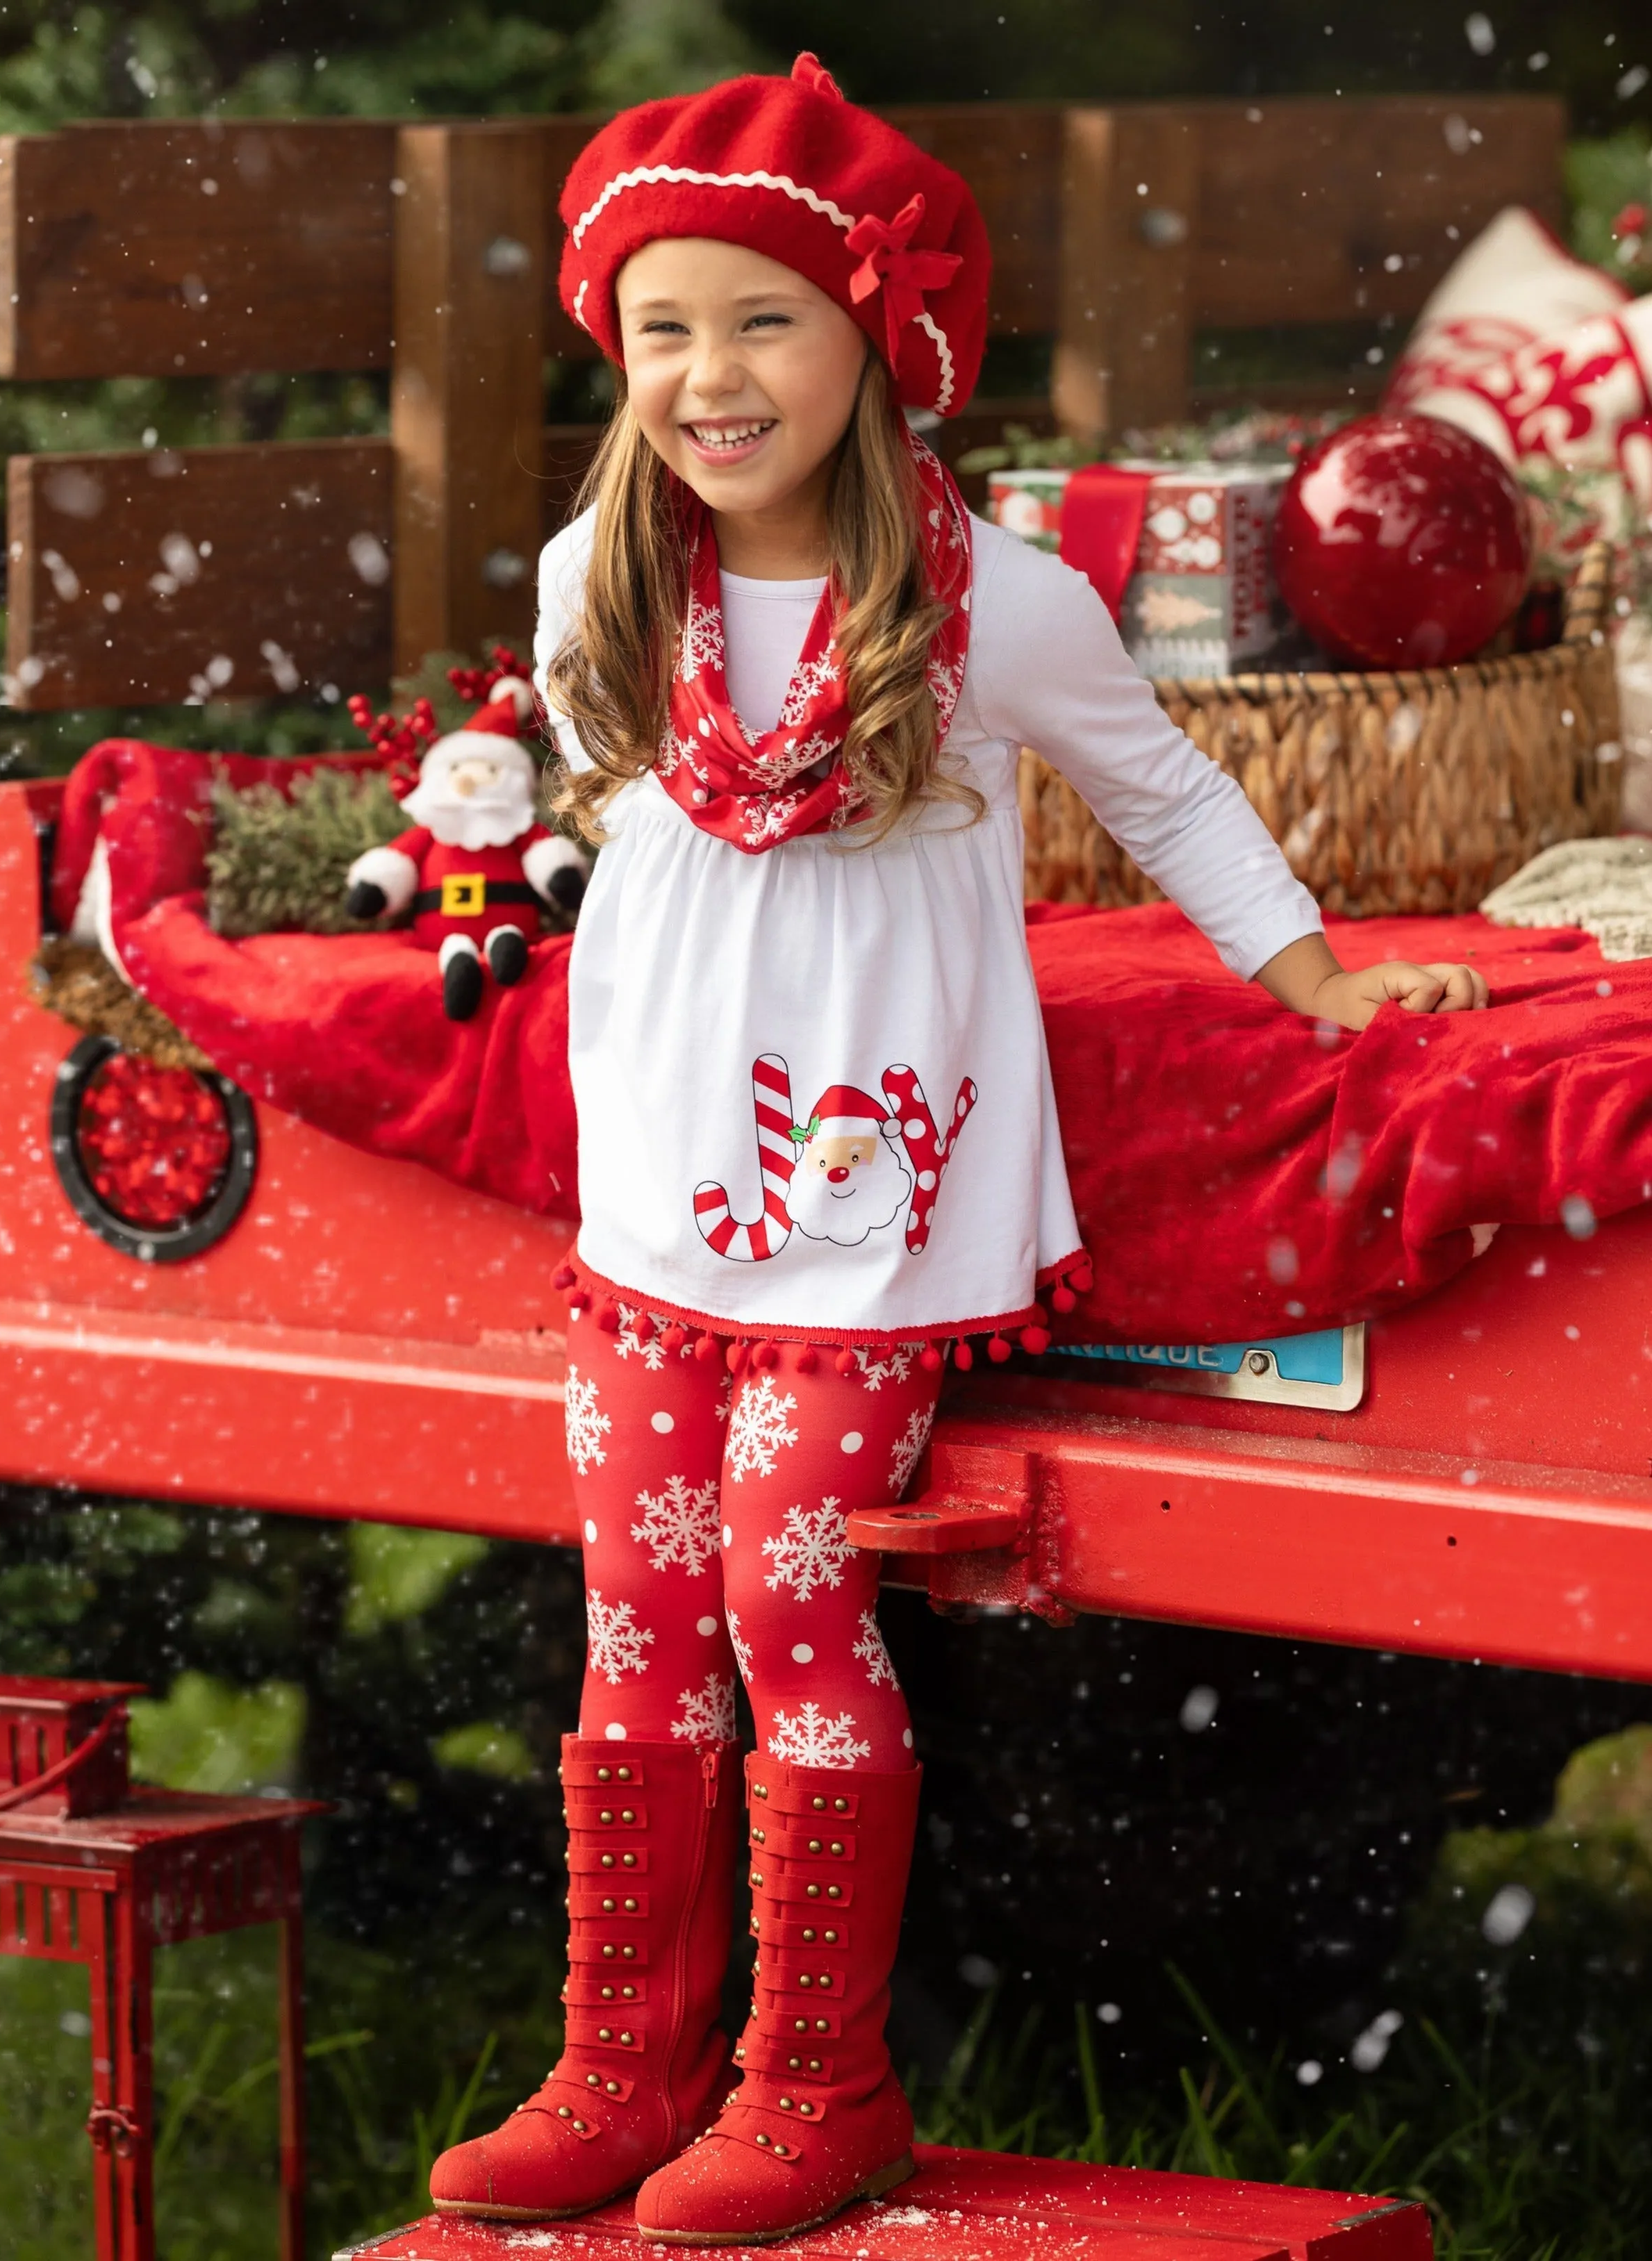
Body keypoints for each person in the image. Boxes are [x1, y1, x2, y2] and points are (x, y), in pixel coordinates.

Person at [429, 56, 1488, 2246]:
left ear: (871, 344)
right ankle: (622, 2059)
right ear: (614, 355)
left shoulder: (992, 605)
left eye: (765, 323)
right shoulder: (594, 581)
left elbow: (1172, 788)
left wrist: (1310, 979)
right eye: (664, 331)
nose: (712, 379)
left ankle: (817, 2079)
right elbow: (613, 802)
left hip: (863, 1196)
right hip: (660, 1186)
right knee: (637, 1606)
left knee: (784, 1589)